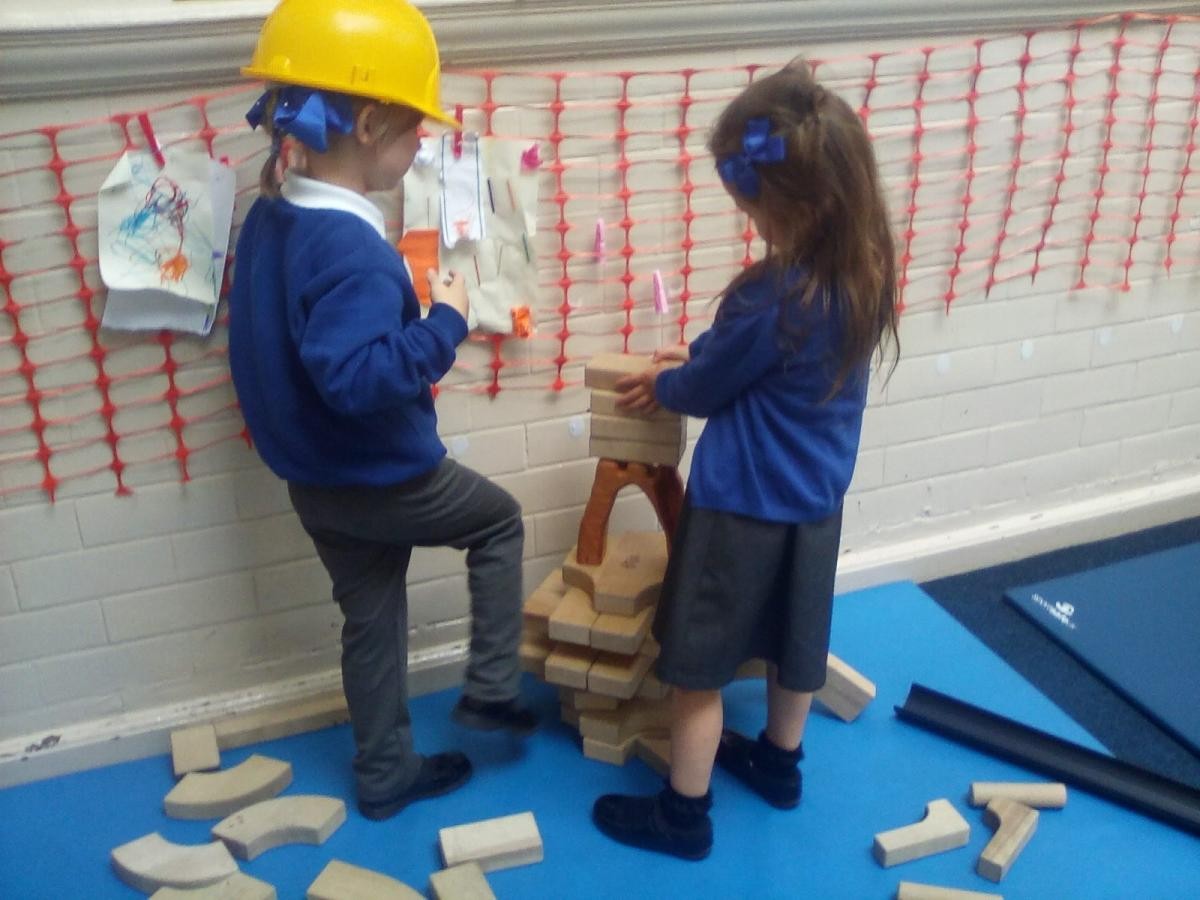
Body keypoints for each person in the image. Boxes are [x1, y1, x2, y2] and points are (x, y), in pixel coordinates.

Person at [228, 0, 536, 823]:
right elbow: (358, 381)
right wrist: (446, 321)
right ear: (369, 125)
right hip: (382, 476)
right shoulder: (353, 252)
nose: (422, 143)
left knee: (370, 620)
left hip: (313, 482)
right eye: (415, 128)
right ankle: (493, 687)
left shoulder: (270, 217)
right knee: (499, 523)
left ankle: (385, 772)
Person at [591, 59, 900, 860]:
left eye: (752, 208)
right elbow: (761, 362)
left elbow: (708, 386)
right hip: (815, 508)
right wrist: (698, 353)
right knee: (794, 648)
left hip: (740, 512)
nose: (750, 223)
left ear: (796, 206)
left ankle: (683, 815)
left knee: (696, 670)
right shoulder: (864, 270)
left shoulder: (772, 293)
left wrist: (669, 380)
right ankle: (779, 763)